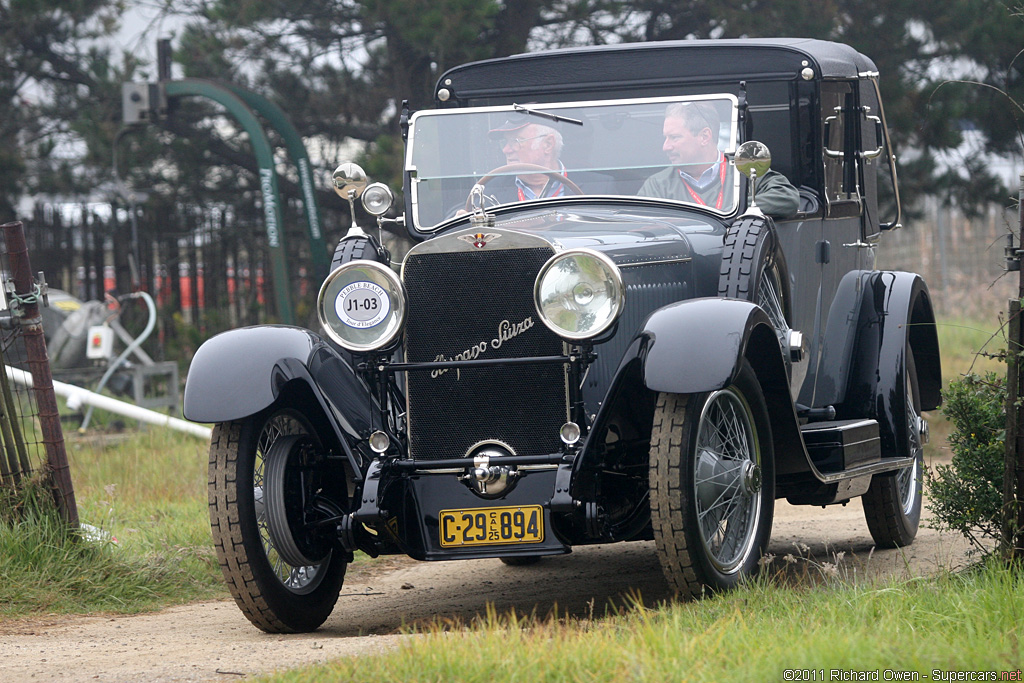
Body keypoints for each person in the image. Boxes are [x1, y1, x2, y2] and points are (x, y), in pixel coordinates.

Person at [639, 102, 799, 218]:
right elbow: (639, 225)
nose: (665, 147)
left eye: (674, 138)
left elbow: (787, 197)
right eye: (666, 138)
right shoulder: (657, 184)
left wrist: (731, 209)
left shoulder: (743, 170)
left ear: (704, 137)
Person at [486, 119, 572, 203]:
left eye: (515, 141)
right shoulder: (490, 192)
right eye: (504, 142)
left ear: (548, 145)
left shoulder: (584, 185)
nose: (505, 150)